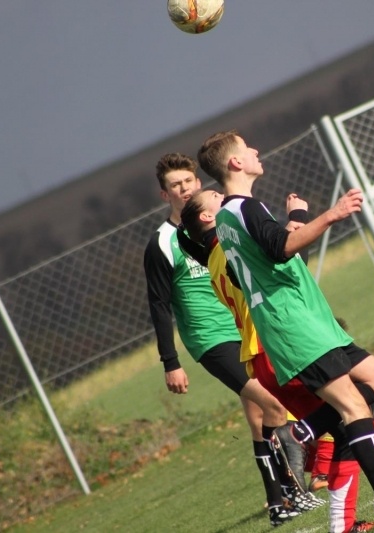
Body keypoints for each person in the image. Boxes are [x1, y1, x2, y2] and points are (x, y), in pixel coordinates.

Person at [195, 131, 374, 526]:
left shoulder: (233, 216)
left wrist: (296, 222)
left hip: (307, 321)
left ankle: (307, 429)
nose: (256, 150)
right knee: (353, 406)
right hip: (294, 326)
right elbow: (282, 248)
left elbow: (267, 255)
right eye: (248, 147)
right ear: (235, 163)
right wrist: (330, 214)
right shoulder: (243, 209)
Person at [142, 153, 321, 527]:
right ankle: (293, 492)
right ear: (165, 194)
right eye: (175, 185)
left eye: (188, 181)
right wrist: (170, 362)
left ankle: (278, 502)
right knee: (272, 404)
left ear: (197, 181)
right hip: (210, 339)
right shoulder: (162, 243)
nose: (184, 188)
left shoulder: (218, 223)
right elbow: (159, 304)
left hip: (243, 327)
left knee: (258, 416)